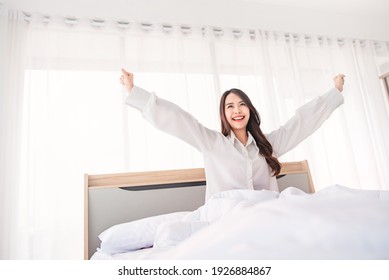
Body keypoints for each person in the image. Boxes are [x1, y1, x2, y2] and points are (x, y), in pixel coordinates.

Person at [120, 69, 345, 200]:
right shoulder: (211, 143)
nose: (236, 110)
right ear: (224, 113)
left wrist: (334, 93)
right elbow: (178, 119)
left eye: (241, 105)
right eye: (230, 106)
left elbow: (301, 123)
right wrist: (135, 93)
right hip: (228, 220)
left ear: (250, 109)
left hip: (268, 217)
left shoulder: (268, 145)